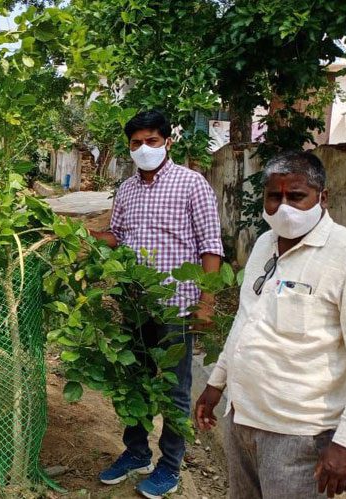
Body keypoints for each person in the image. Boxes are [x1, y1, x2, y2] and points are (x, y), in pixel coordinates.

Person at [195, 151, 346, 498]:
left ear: (322, 197)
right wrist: (217, 383)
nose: (284, 207)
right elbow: (246, 318)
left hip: (299, 436)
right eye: (274, 196)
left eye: (296, 196)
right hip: (241, 422)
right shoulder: (264, 244)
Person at [91, 110, 224, 498]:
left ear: (168, 142)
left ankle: (170, 466)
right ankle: (135, 453)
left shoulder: (191, 184)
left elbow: (210, 247)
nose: (143, 149)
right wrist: (84, 237)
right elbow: (118, 236)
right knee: (133, 379)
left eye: (151, 141)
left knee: (174, 391)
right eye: (136, 143)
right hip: (135, 304)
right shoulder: (127, 189)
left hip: (176, 308)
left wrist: (207, 302)